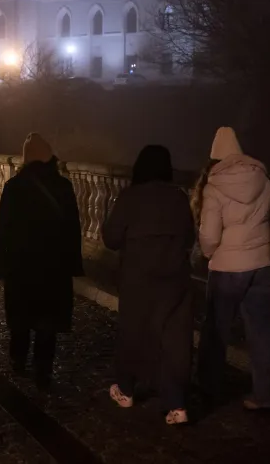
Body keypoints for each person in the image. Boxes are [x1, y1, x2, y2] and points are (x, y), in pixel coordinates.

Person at [195, 126, 270, 410]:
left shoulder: (214, 185)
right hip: (263, 266)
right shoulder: (264, 178)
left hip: (226, 268)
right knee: (263, 332)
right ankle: (263, 396)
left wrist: (208, 254)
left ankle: (209, 389)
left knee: (216, 331)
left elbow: (209, 236)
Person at [102, 145, 195, 425]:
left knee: (133, 333)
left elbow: (111, 238)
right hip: (174, 279)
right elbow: (189, 237)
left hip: (137, 278)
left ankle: (127, 390)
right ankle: (176, 404)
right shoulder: (179, 198)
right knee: (174, 340)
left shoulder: (130, 197)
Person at [0, 133, 84, 389]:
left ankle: (18, 360)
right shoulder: (62, 186)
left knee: (20, 317)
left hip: (21, 266)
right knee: (47, 322)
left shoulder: (14, 187)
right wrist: (74, 264)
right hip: (53, 267)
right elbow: (72, 229)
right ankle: (43, 368)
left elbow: (3, 230)